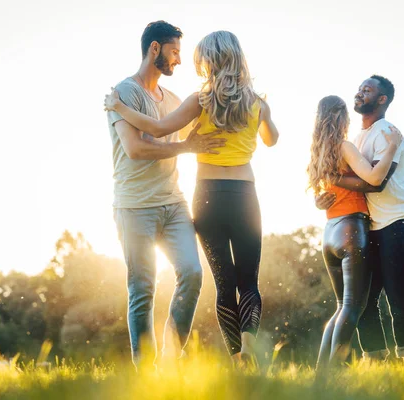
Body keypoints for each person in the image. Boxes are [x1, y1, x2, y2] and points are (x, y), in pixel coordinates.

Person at [105, 30, 280, 366]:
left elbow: (157, 130)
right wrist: (263, 119)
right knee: (249, 282)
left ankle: (233, 360)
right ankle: (247, 348)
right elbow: (272, 140)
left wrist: (119, 108)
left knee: (224, 285)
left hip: (208, 199)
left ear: (208, 61)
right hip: (245, 197)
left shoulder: (199, 101)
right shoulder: (257, 103)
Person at [106, 20, 227, 368]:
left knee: (192, 273)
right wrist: (185, 147)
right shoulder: (124, 94)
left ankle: (170, 360)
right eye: (174, 52)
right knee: (142, 289)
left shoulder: (174, 99)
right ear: (155, 49)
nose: (178, 60)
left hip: (174, 204)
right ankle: (145, 371)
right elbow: (135, 148)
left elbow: (201, 132)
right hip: (134, 207)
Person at [316, 75, 404, 361]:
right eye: (359, 88)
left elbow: (376, 183)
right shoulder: (355, 139)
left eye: (368, 90)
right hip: (371, 226)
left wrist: (335, 178)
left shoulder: (388, 133)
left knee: (396, 290)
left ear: (382, 99)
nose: (360, 92)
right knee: (363, 301)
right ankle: (376, 360)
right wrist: (323, 196)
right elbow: (345, 184)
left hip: (400, 221)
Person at [308, 95, 402, 371]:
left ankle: (321, 376)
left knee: (340, 307)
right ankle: (334, 371)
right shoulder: (344, 147)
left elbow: (323, 193)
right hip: (351, 228)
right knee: (352, 307)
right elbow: (374, 178)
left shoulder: (318, 154)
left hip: (330, 233)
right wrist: (392, 147)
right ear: (341, 117)